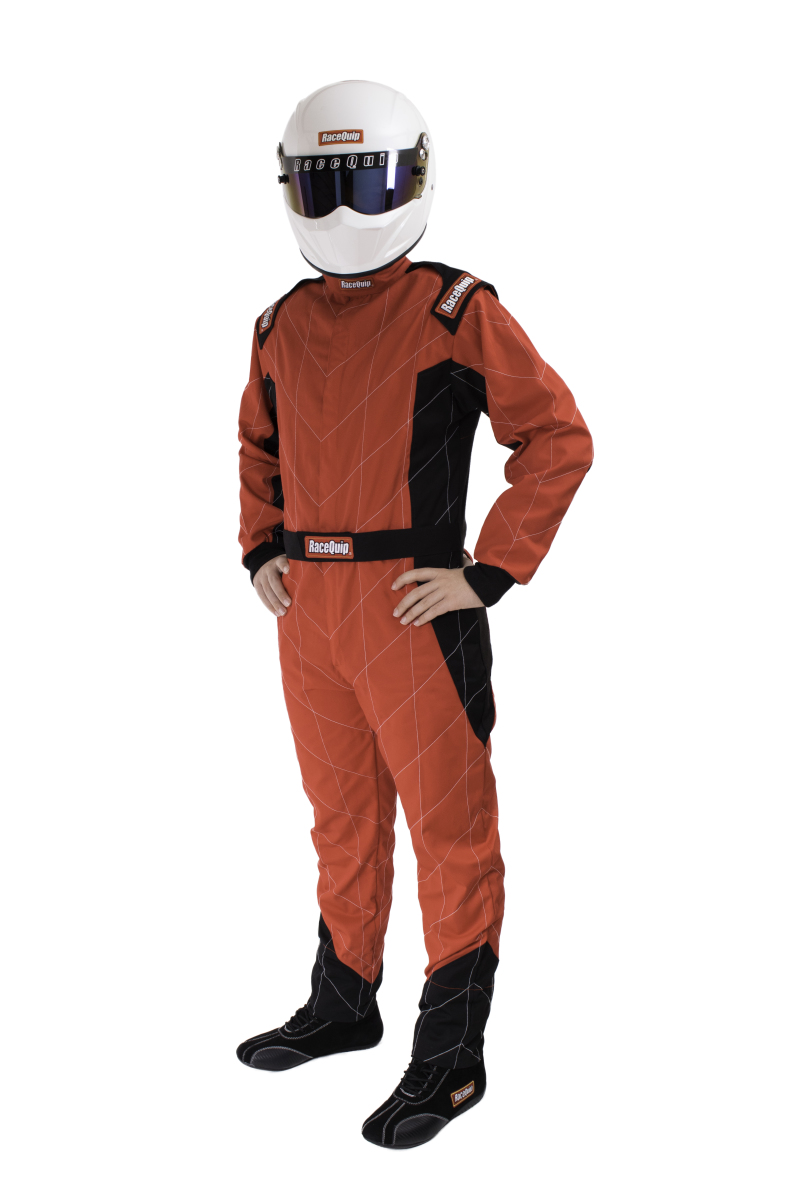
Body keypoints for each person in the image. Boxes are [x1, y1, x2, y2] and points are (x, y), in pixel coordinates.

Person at [235, 79, 593, 1149]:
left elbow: (557, 437)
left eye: (368, 180)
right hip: (309, 611)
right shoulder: (279, 323)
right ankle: (344, 1001)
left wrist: (489, 573)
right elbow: (257, 445)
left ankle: (450, 1058)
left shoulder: (455, 309)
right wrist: (261, 547)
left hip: (411, 607)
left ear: (413, 179)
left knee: (448, 829)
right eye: (325, 183)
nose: (347, 206)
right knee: (339, 818)